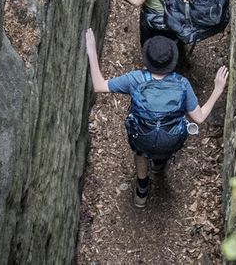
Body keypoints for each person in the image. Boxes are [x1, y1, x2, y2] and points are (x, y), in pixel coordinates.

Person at [84, 28, 228, 209]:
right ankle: (159, 164)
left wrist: (91, 51)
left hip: (142, 137)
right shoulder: (182, 84)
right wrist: (217, 90)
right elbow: (199, 118)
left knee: (142, 152)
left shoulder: (135, 80)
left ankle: (142, 190)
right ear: (171, 62)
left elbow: (99, 85)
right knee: (164, 140)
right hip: (171, 139)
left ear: (147, 60)